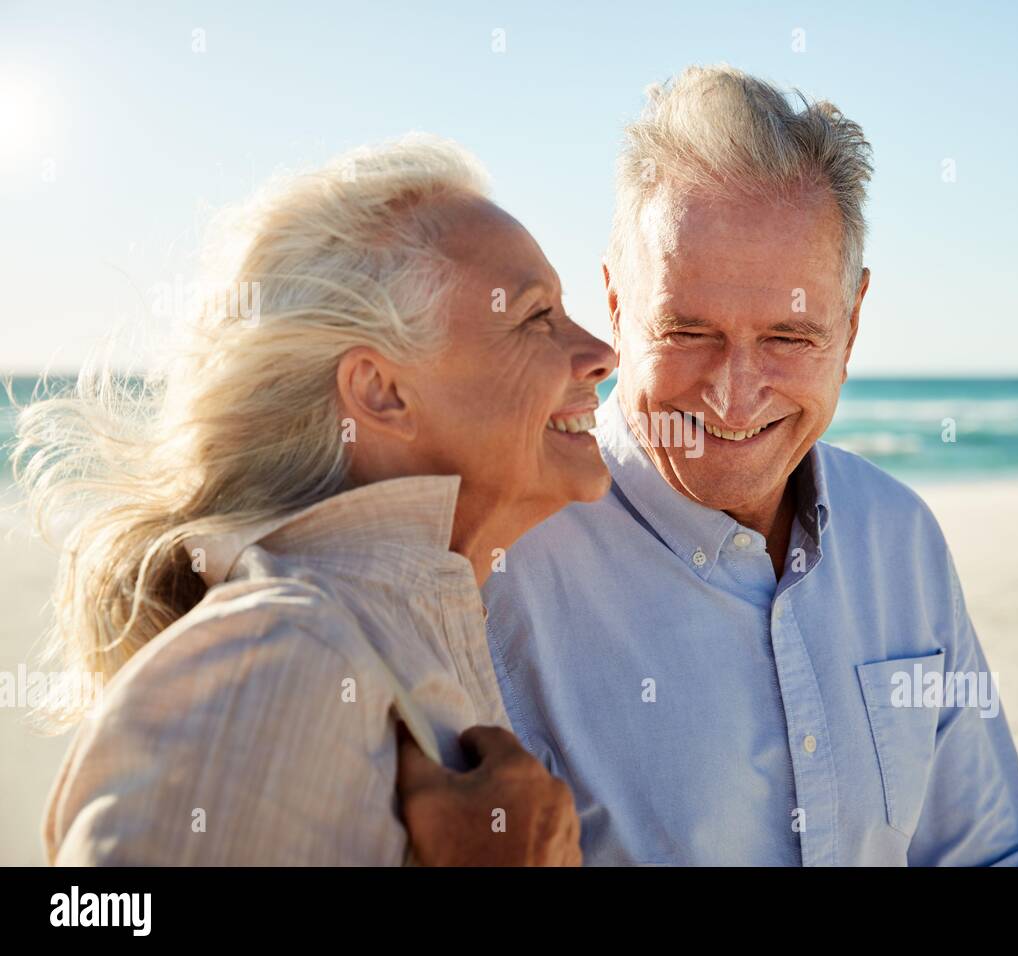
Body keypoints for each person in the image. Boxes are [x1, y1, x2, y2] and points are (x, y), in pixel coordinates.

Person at [478, 66, 1018, 865]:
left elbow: (989, 854)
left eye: (789, 337)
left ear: (850, 328)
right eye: (687, 331)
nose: (735, 396)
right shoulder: (499, 564)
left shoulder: (900, 537)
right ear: (614, 306)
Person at [18, 135, 613, 865]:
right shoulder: (287, 651)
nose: (600, 351)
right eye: (535, 317)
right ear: (380, 391)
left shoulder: (392, 629)